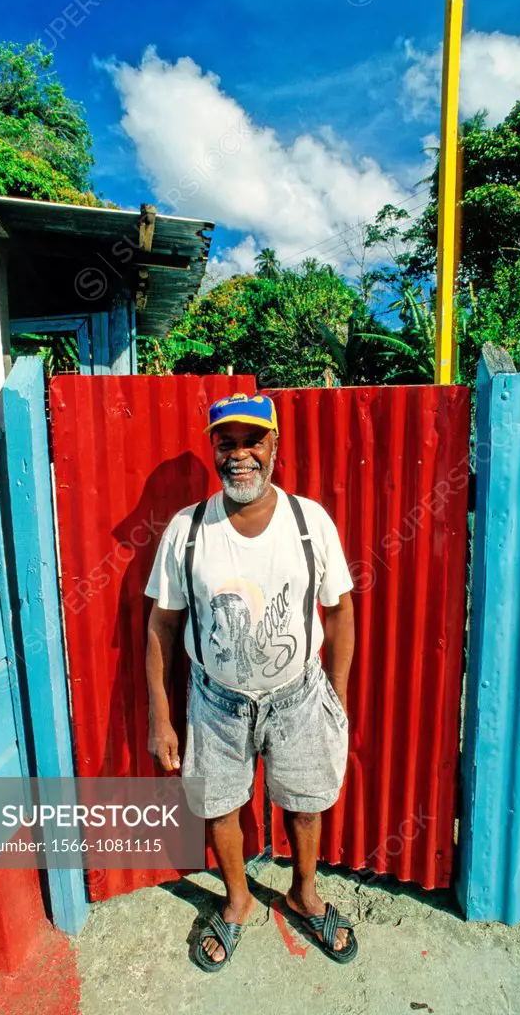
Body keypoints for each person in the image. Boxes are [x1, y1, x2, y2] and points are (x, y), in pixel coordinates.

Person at [144, 392, 357, 970]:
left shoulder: (309, 522)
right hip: (216, 704)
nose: (240, 455)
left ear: (275, 446)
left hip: (300, 697)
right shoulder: (188, 531)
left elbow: (338, 612)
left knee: (306, 805)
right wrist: (161, 717)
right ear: (213, 449)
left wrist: (332, 697)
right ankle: (237, 901)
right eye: (227, 443)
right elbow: (162, 626)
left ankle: (303, 892)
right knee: (220, 806)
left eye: (252, 442)